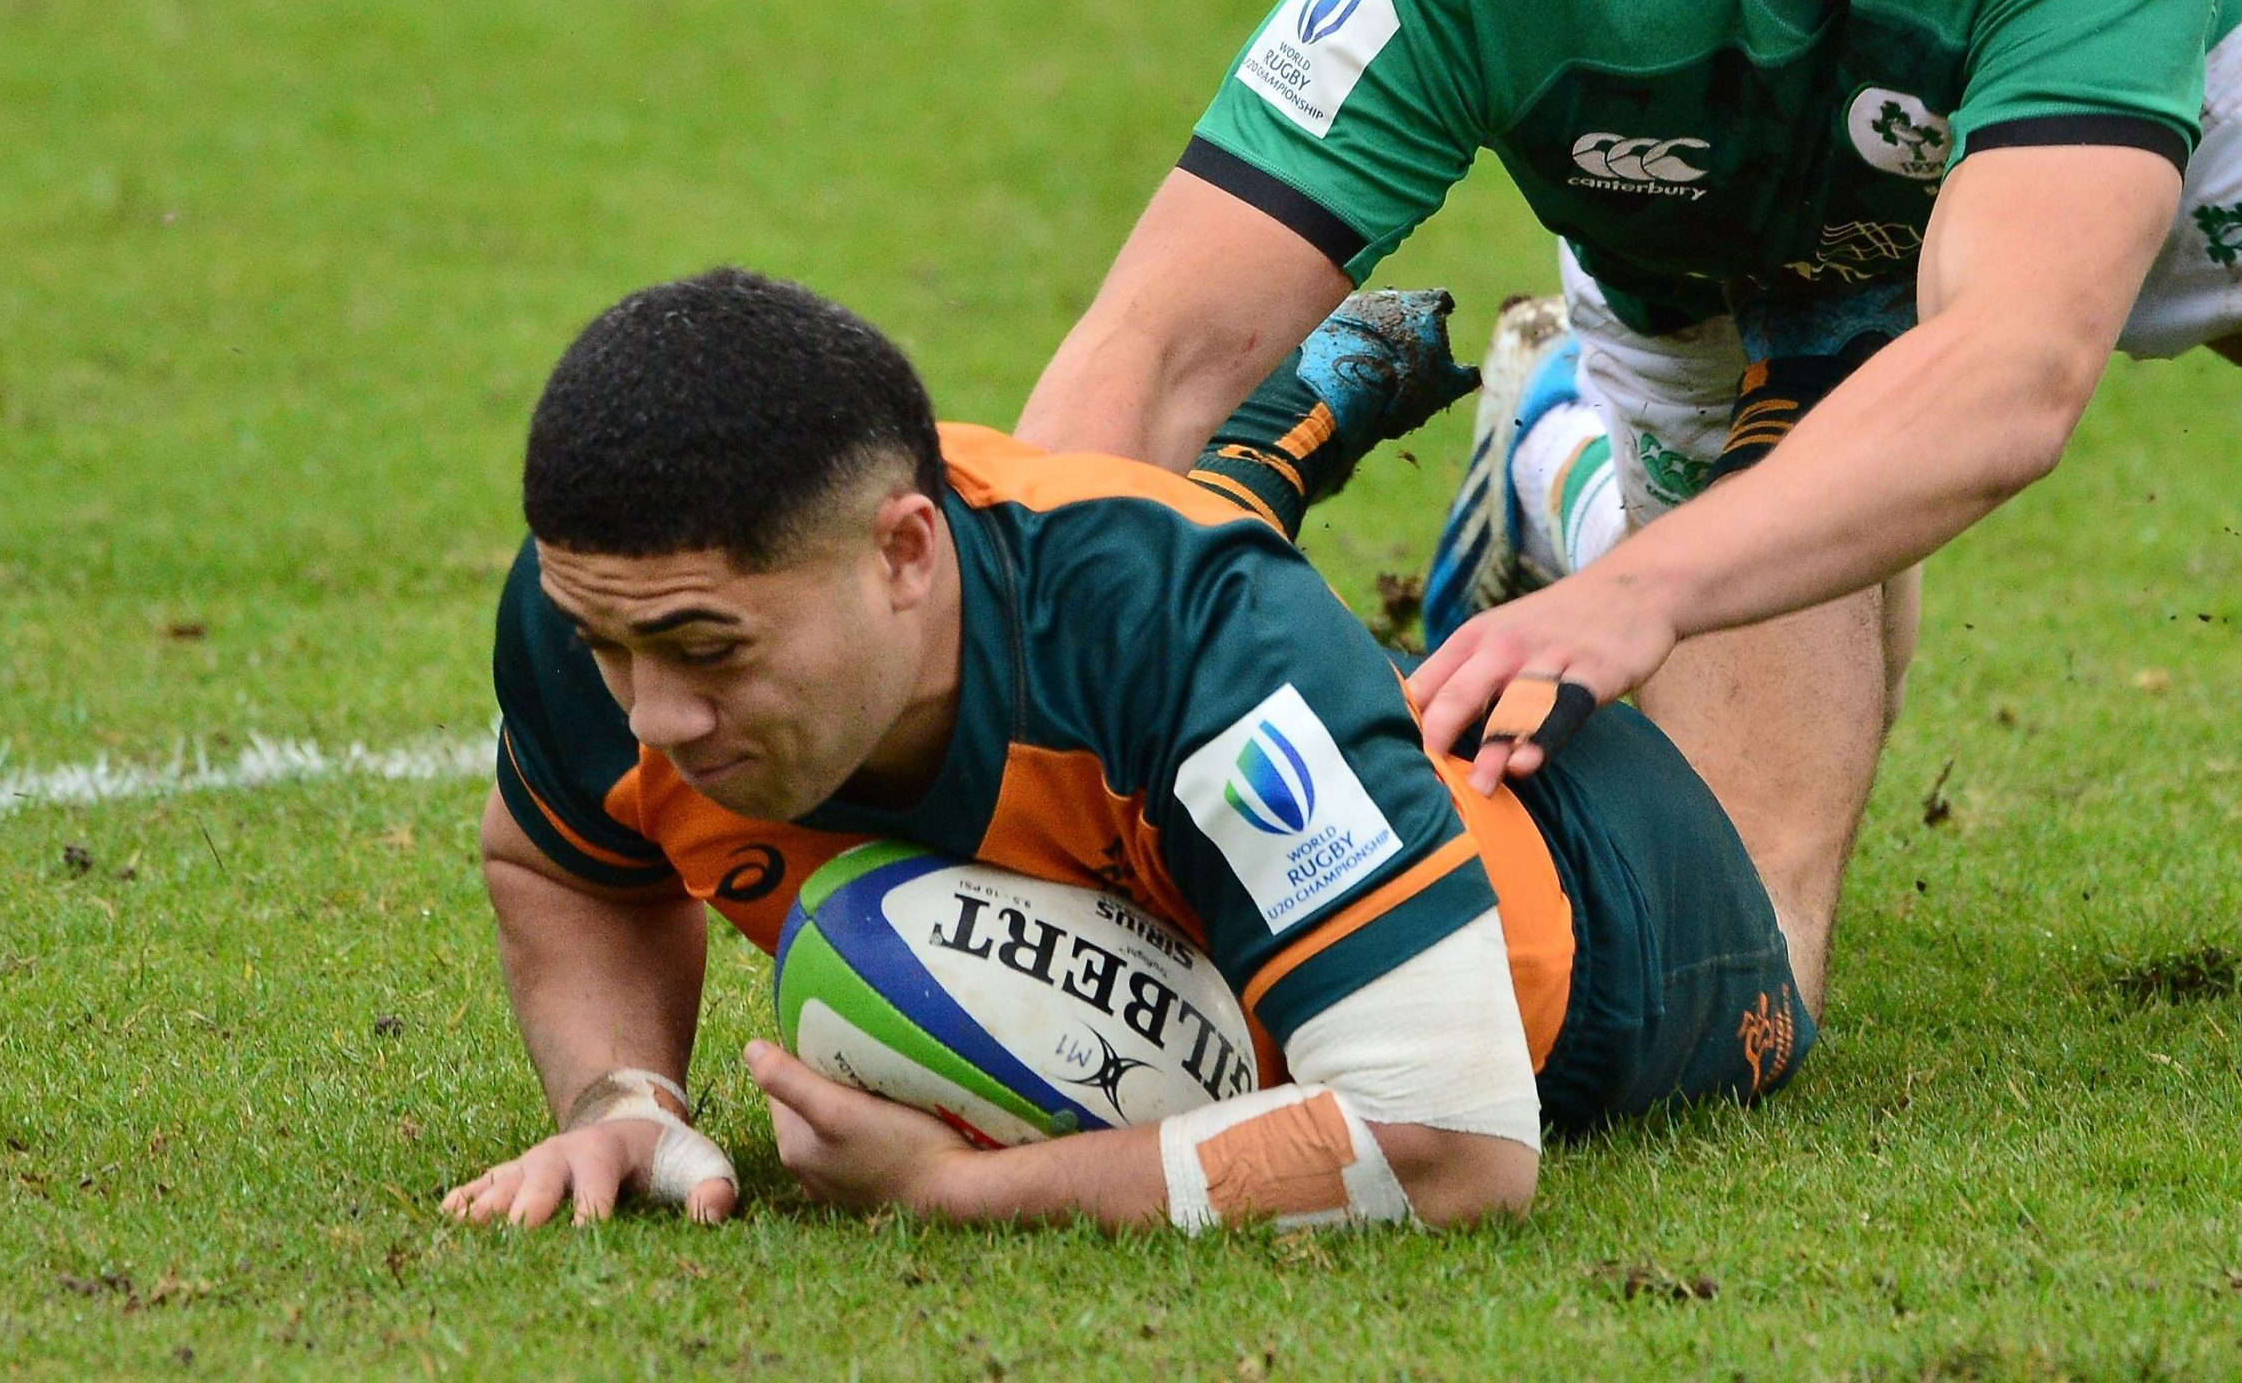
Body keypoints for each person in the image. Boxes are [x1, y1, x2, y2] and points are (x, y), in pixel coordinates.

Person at [1014, 0, 2242, 1009]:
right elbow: (1150, 353)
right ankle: (1573, 462)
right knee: (1730, 961)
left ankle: (1597, 510)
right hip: (1725, 250)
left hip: (2169, 71)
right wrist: (1006, 794)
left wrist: (1644, 597)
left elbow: (2007, 373)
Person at [439, 269, 1811, 1233]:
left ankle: (1556, 448)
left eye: (711, 654)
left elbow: (1455, 1148)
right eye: (614, 651)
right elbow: (567, 868)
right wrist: (623, 1096)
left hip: (1590, 890)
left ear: (905, 551)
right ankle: (1255, 472)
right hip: (1235, 720)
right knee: (1187, 646)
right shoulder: (609, 602)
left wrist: (955, 1192)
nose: (651, 718)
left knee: (1197, 637)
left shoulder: (1195, 644)